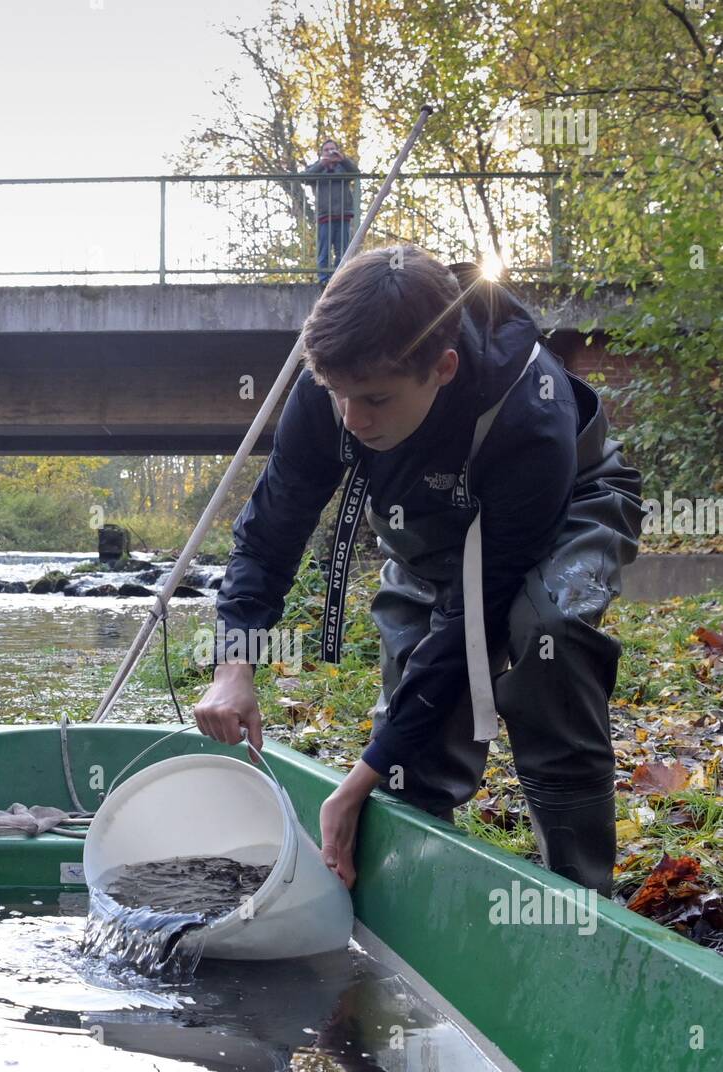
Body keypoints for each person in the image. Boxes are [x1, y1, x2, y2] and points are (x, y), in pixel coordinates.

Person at [193, 245, 642, 898]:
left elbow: (476, 621)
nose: (351, 419)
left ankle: (580, 898)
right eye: (337, 395)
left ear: (443, 367)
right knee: (410, 749)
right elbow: (269, 534)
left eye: (373, 399)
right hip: (428, 525)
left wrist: (355, 781)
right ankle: (415, 895)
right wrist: (234, 665)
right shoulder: (335, 388)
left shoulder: (529, 414)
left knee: (548, 635)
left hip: (568, 499)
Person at [303, 139, 360, 283]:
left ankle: (339, 280)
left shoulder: (343, 168)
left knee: (343, 251)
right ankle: (323, 279)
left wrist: (343, 159)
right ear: (321, 153)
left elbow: (356, 173)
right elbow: (305, 178)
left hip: (343, 215)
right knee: (324, 251)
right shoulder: (317, 167)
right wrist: (322, 164)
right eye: (326, 150)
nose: (330, 152)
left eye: (332, 149)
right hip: (325, 215)